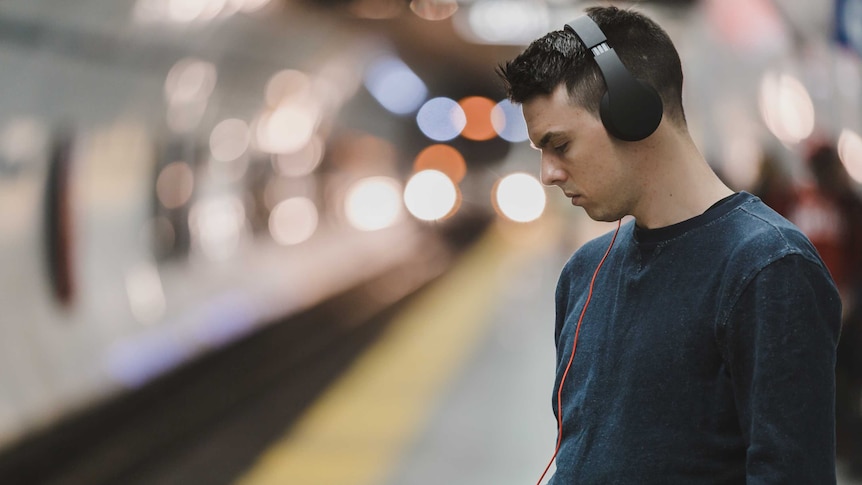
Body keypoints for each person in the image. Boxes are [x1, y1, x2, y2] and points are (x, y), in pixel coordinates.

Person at [497, 6, 842, 484]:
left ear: (632, 115)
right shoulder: (583, 273)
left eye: (560, 145)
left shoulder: (766, 268)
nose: (548, 175)